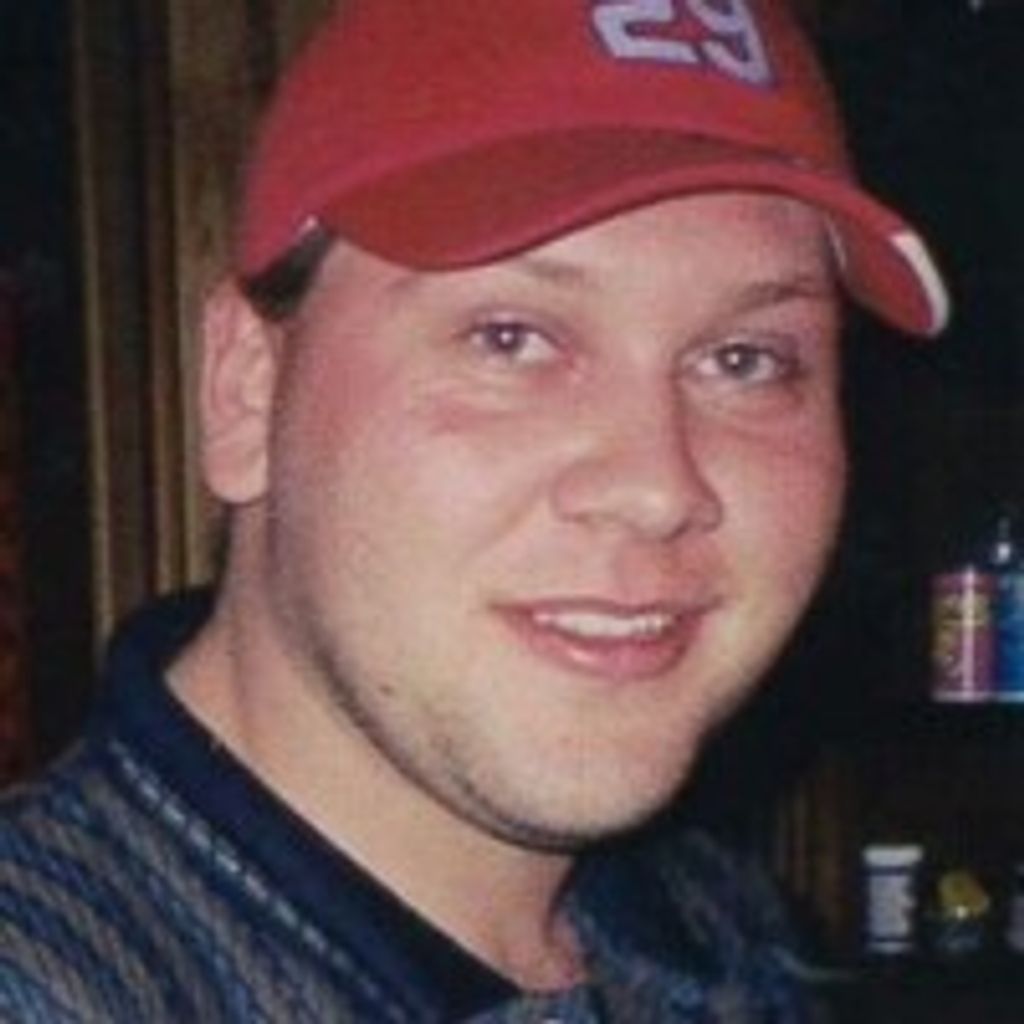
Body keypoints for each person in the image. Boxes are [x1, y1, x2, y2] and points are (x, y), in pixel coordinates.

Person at [0, 1, 949, 1021]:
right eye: (511, 338)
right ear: (246, 388)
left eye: (743, 360)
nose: (658, 487)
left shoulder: (714, 927)